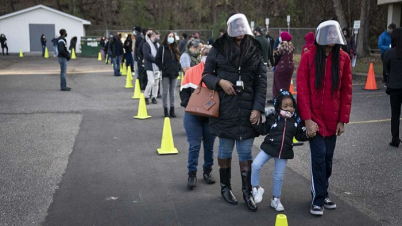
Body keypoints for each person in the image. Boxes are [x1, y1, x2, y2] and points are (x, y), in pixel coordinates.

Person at [202, 13, 267, 212]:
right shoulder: (218, 48)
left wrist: (257, 108)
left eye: (242, 28)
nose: (240, 32)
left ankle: (247, 192)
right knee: (224, 151)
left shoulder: (255, 47)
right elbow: (206, 75)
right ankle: (225, 188)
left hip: (248, 110)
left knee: (246, 152)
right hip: (225, 109)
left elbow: (261, 81)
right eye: (236, 28)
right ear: (230, 28)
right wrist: (220, 82)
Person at [297, 20, 352, 216]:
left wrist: (342, 120)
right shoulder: (309, 56)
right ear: (321, 35)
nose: (331, 37)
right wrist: (307, 119)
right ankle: (318, 199)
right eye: (327, 34)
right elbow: (302, 89)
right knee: (319, 158)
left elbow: (346, 91)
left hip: (333, 119)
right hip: (314, 120)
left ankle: (323, 191)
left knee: (328, 159)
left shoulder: (344, 58)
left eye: (333, 34)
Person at [251, 90, 311, 211]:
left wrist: (308, 134)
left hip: (284, 152)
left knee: (279, 177)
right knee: (255, 165)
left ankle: (276, 199)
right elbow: (263, 129)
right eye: (285, 106)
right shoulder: (273, 117)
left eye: (291, 106)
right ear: (279, 106)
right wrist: (254, 123)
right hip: (269, 147)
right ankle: (256, 188)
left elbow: (299, 135)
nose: (289, 108)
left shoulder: (295, 120)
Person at [180, 45, 217, 189]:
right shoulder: (191, 72)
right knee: (194, 145)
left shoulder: (218, 74)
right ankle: (192, 174)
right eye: (205, 54)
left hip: (210, 116)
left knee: (209, 146)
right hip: (193, 115)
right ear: (200, 55)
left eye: (209, 54)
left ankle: (208, 171)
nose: (206, 57)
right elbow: (183, 93)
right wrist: (193, 105)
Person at [155, 31, 181, 117]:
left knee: (172, 92)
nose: (171, 38)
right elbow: (157, 59)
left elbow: (178, 59)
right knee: (165, 92)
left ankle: (172, 109)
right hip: (166, 73)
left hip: (174, 72)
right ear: (166, 37)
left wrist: (178, 68)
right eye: (169, 36)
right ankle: (165, 109)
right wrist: (162, 67)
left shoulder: (175, 48)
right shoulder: (162, 48)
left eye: (172, 36)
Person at [384, 28, 402, 147]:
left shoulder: (389, 53)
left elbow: (386, 71)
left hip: (395, 87)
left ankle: (395, 139)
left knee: (395, 114)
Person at [272, 31, 295, 98]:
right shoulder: (291, 45)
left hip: (281, 67)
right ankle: (286, 96)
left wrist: (275, 64)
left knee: (278, 84)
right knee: (286, 84)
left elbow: (276, 54)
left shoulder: (282, 44)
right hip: (290, 68)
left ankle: (278, 98)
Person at [143, 31, 161, 105]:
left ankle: (154, 97)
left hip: (157, 67)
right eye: (156, 36)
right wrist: (156, 60)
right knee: (151, 82)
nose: (157, 38)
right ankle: (146, 96)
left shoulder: (157, 45)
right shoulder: (146, 44)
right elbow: (147, 55)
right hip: (149, 66)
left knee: (156, 83)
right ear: (152, 36)